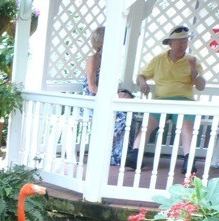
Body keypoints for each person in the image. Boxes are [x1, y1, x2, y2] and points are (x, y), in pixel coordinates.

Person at [125, 25, 207, 174]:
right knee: (147, 124)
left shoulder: (192, 61)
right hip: (161, 101)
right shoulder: (158, 60)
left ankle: (189, 161)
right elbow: (141, 76)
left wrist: (194, 70)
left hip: (184, 101)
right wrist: (143, 83)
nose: (183, 45)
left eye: (185, 42)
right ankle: (135, 156)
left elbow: (201, 86)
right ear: (170, 43)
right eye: (179, 42)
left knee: (187, 126)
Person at [83, 26, 134, 165]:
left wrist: (120, 94)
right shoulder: (94, 59)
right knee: (121, 118)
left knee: (128, 113)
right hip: (93, 100)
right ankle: (103, 150)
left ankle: (118, 155)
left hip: (106, 98)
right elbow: (92, 87)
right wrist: (113, 97)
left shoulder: (110, 59)